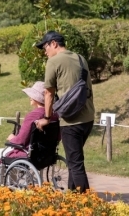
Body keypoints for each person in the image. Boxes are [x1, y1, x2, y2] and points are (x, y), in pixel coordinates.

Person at [35, 31, 95, 193]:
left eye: (45, 47)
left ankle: (85, 202)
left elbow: (48, 93)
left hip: (71, 121)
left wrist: (46, 118)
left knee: (75, 163)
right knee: (73, 159)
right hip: (88, 118)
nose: (44, 51)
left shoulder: (54, 62)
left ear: (54, 43)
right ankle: (72, 194)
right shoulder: (81, 58)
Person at [0, 81, 59, 171]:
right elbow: (58, 136)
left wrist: (12, 138)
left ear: (37, 98)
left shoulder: (33, 115)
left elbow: (21, 140)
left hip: (31, 154)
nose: (30, 98)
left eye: (32, 95)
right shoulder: (55, 115)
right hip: (47, 154)